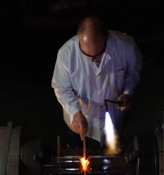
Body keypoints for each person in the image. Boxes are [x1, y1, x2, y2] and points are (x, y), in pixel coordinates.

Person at [51, 14, 143, 153]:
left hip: (113, 118)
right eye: (85, 54)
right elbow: (61, 87)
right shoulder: (66, 54)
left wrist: (127, 93)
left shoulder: (126, 47)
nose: (91, 60)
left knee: (113, 155)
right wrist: (75, 111)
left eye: (96, 55)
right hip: (81, 120)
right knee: (81, 158)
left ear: (106, 38)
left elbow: (133, 73)